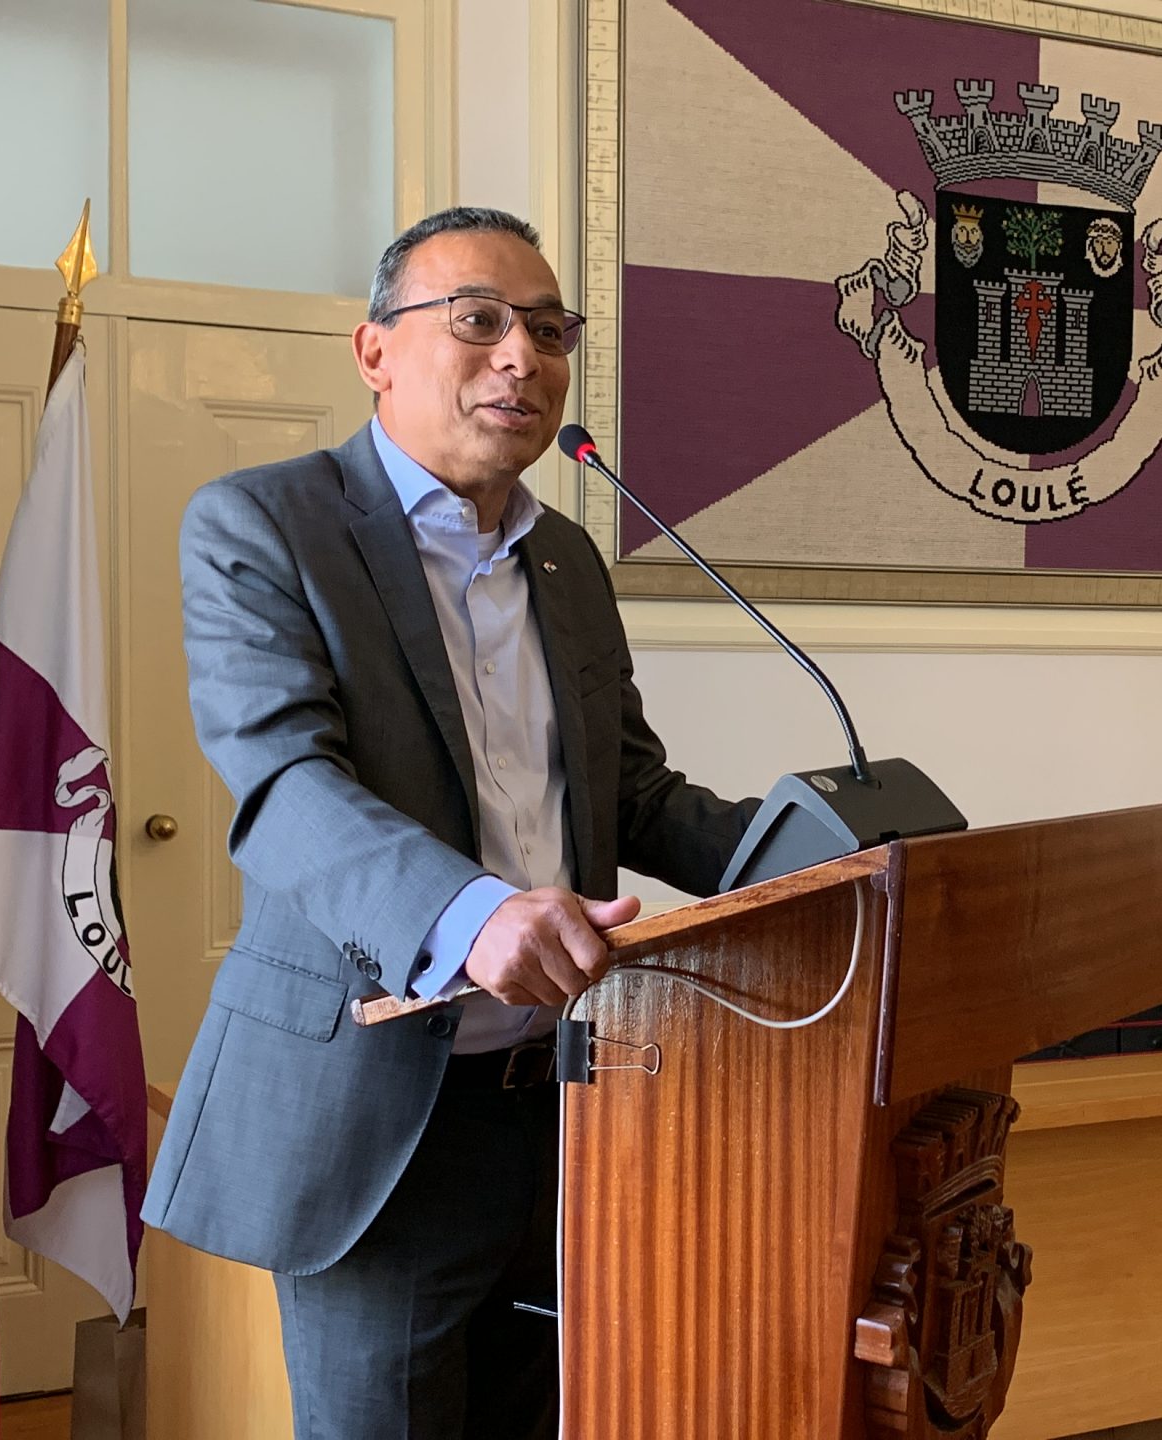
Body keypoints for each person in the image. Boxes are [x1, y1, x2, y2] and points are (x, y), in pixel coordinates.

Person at [142, 206, 757, 1438]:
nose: (521, 355)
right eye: (478, 321)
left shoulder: (565, 561)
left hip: (569, 1105)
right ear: (375, 352)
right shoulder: (264, 524)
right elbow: (284, 786)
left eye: (548, 329)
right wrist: (471, 918)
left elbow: (631, 794)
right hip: (377, 1120)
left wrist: (838, 852)